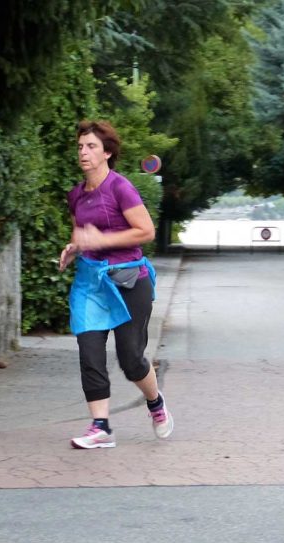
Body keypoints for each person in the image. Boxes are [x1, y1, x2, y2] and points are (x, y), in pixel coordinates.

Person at [58, 120, 172, 449]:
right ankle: (101, 426)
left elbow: (146, 232)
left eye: (91, 146)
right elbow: (81, 234)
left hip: (128, 280)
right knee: (89, 352)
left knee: (131, 359)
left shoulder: (120, 188)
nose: (83, 152)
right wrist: (73, 247)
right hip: (91, 282)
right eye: (80, 146)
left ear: (107, 152)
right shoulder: (77, 195)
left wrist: (102, 238)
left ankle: (155, 403)